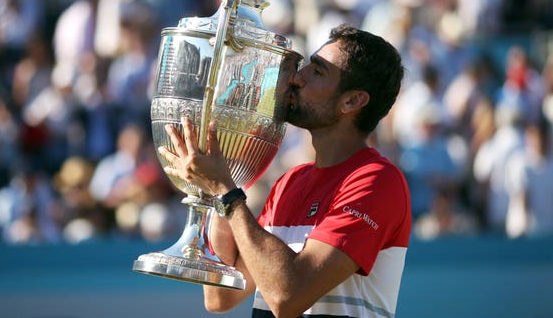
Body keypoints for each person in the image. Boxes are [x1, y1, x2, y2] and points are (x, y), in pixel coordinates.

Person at [159, 24, 411, 318]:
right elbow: (220, 296)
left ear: (352, 101)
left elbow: (286, 297)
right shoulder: (290, 182)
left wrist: (225, 190)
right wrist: (218, 172)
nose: (295, 78)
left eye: (316, 71)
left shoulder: (377, 181)